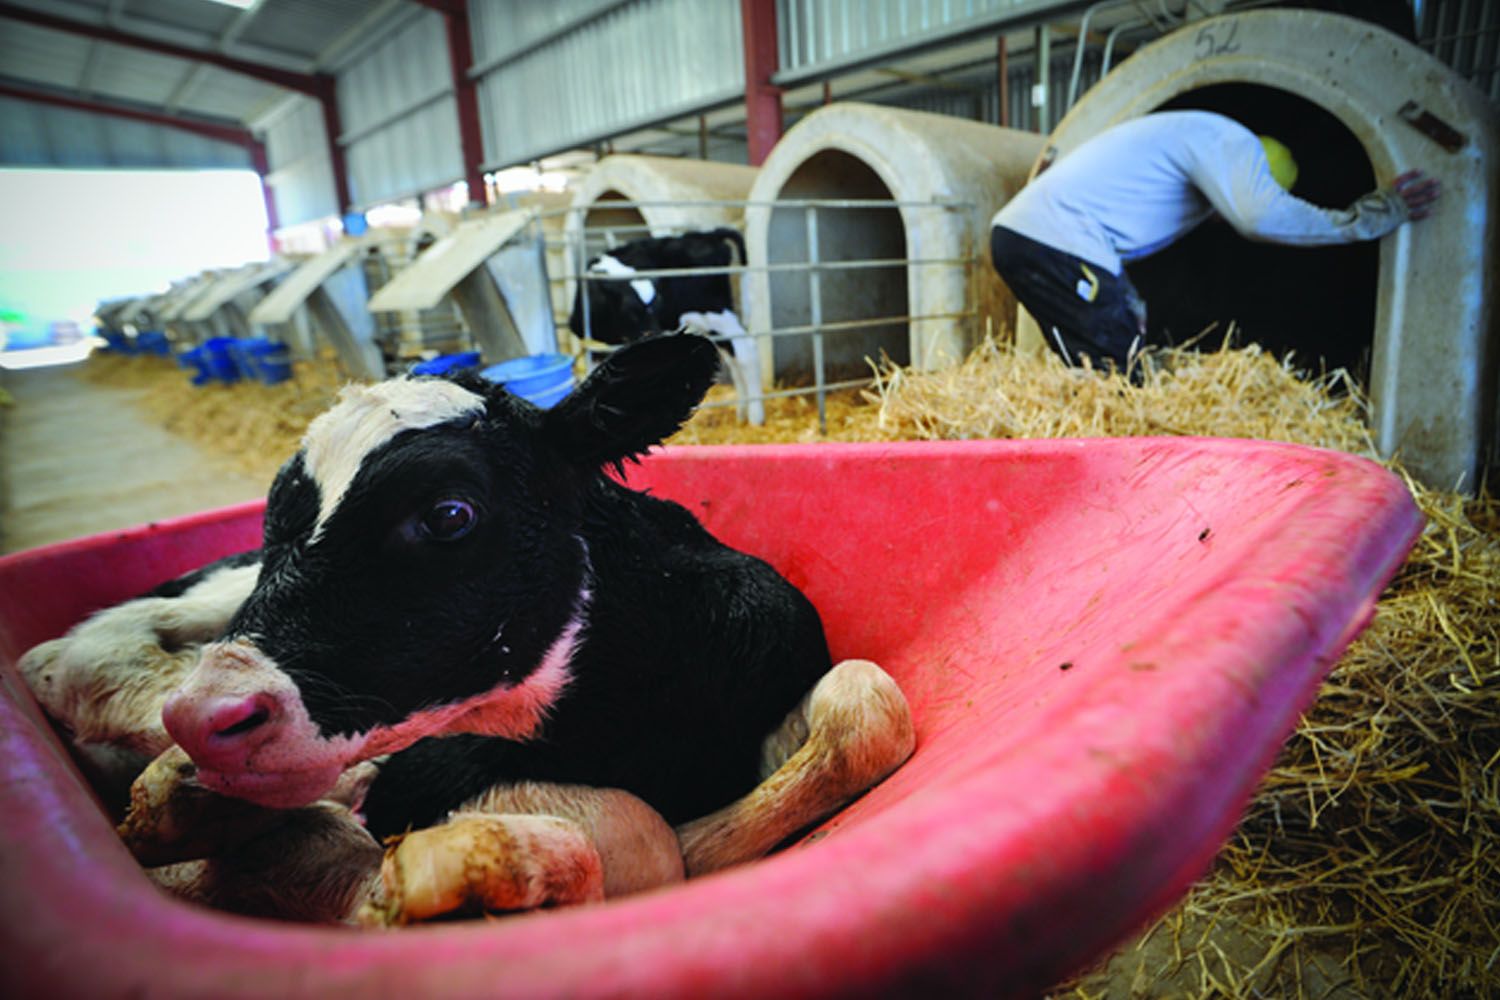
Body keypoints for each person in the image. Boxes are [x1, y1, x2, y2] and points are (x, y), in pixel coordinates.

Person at [989, 110, 1441, 372]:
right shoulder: (1233, 143)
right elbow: (1260, 217)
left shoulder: (1186, 139)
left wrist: (1128, 299)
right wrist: (1371, 217)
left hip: (1029, 237)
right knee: (1117, 370)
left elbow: (1112, 235)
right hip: (1051, 239)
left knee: (1094, 363)